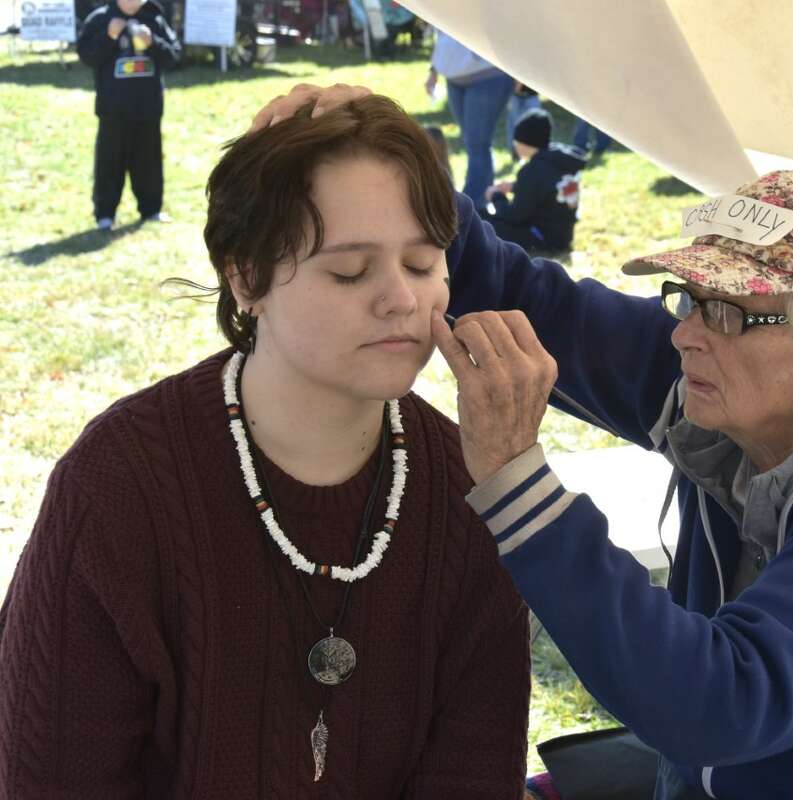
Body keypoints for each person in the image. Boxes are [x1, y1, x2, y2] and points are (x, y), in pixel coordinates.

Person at [256, 85, 793, 799]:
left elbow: (719, 706)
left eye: (731, 312)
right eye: (689, 298)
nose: (686, 337)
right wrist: (402, 163)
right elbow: (543, 305)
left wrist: (516, 482)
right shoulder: (742, 391)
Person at [0, 95, 531, 798]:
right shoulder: (120, 483)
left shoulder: (470, 486)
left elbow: (475, 775)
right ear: (245, 276)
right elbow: (51, 775)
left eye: (424, 262)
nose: (401, 298)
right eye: (350, 271)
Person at [77, 0, 180, 231]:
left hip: (148, 108)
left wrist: (152, 42)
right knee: (109, 164)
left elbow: (173, 56)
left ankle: (151, 209)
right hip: (113, 110)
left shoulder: (154, 18)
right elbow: (86, 56)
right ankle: (105, 215)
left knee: (149, 163)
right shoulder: (100, 18)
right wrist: (109, 36)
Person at [424, 29, 512, 209]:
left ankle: (472, 207)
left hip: (487, 74)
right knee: (474, 144)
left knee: (477, 144)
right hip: (455, 77)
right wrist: (434, 69)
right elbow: (441, 32)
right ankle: (479, 203)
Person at [482, 108, 586, 254]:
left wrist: (496, 196)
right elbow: (546, 188)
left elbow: (515, 216)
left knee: (484, 223)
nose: (515, 145)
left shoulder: (531, 171)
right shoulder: (560, 161)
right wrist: (514, 187)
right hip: (564, 235)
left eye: (516, 141)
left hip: (542, 237)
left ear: (526, 142)